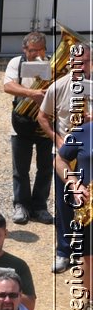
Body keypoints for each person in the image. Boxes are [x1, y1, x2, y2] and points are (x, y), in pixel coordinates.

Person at [38, 41, 90, 272]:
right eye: (78, 62)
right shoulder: (58, 87)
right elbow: (42, 116)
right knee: (65, 203)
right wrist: (58, 141)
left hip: (89, 152)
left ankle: (86, 251)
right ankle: (64, 251)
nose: (82, 66)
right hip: (66, 154)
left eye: (86, 61)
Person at [2, 31, 54, 224]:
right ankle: (21, 205)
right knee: (20, 168)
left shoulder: (53, 64)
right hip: (22, 121)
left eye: (40, 49)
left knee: (46, 167)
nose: (37, 54)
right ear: (24, 49)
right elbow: (8, 86)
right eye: (33, 50)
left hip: (47, 120)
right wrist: (32, 93)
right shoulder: (16, 62)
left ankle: (40, 207)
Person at [55, 107, 93, 309]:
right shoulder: (83, 132)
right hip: (89, 208)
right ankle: (91, 300)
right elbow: (60, 159)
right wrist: (74, 184)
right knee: (88, 256)